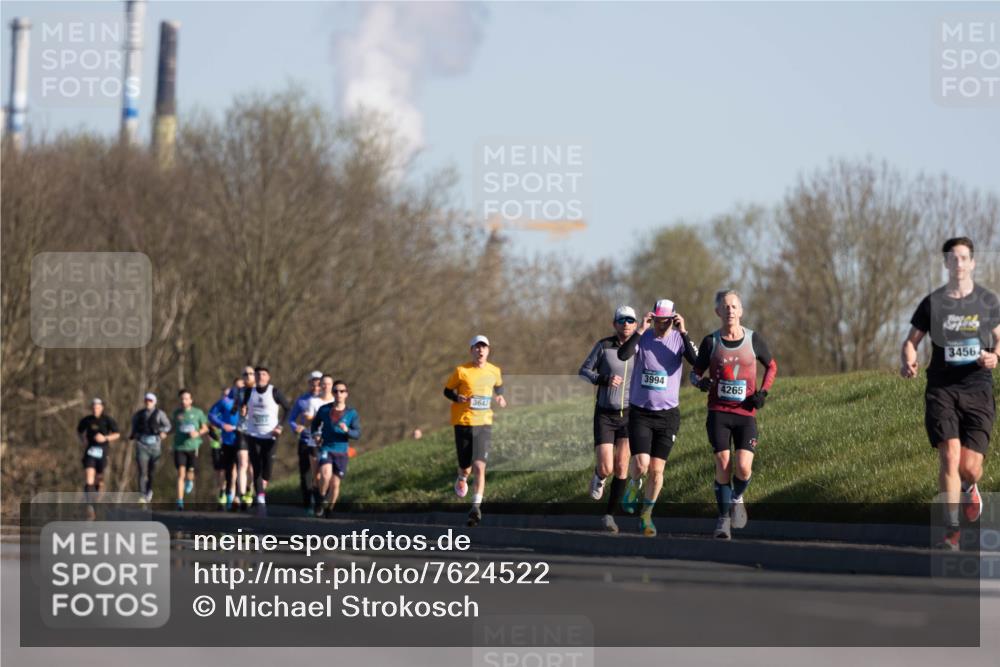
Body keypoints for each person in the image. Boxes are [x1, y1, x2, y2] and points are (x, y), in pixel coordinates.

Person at [901, 237, 1000, 550]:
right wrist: (908, 360)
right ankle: (951, 530)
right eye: (953, 258)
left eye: (964, 258)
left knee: (969, 467)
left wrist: (995, 356)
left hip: (977, 387)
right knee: (949, 454)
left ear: (972, 263)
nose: (958, 263)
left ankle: (970, 487)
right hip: (942, 387)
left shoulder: (986, 301)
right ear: (946, 263)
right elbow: (911, 341)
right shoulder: (933, 303)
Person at [690, 290, 778, 540]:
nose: (730, 310)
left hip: (745, 414)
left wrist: (763, 392)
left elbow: (771, 366)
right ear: (718, 312)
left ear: (741, 311)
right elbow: (694, 373)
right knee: (723, 465)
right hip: (718, 413)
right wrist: (700, 382)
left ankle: (737, 496)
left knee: (743, 468)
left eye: (734, 306)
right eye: (725, 306)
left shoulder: (753, 339)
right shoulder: (711, 342)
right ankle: (723, 520)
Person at [617, 300, 698, 537]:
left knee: (657, 470)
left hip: (668, 415)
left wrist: (684, 332)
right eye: (659, 320)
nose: (662, 325)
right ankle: (634, 484)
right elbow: (623, 354)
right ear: (653, 318)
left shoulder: (679, 339)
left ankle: (647, 515)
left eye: (667, 321)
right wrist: (640, 329)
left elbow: (697, 361)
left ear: (673, 319)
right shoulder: (643, 337)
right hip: (641, 411)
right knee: (641, 464)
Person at [579, 304, 638, 533]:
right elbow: (584, 371)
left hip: (629, 414)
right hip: (605, 413)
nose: (626, 324)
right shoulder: (604, 346)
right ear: (615, 324)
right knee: (606, 467)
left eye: (630, 320)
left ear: (636, 324)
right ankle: (599, 476)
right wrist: (604, 379)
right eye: (622, 320)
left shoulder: (640, 347)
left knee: (622, 467)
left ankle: (609, 516)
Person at [444, 335, 507, 527]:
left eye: (483, 347)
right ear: (471, 350)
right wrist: (457, 398)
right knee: (466, 466)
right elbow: (447, 391)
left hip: (484, 423)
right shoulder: (461, 371)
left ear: (488, 350)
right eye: (477, 347)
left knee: (480, 466)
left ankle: (475, 507)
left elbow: (499, 387)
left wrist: (500, 397)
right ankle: (462, 477)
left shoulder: (494, 371)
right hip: (463, 422)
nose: (480, 350)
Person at [241, 366, 291, 508]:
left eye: (263, 374)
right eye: (258, 374)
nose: (260, 377)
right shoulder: (249, 391)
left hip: (270, 436)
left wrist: (280, 427)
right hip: (253, 434)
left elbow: (288, 409)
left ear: (268, 377)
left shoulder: (274, 392)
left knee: (267, 467)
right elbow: (244, 407)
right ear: (255, 377)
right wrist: (243, 411)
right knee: (256, 467)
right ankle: (260, 498)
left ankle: (263, 484)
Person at [310, 379, 360, 516]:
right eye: (336, 391)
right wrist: (316, 434)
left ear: (346, 394)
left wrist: (347, 430)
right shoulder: (324, 409)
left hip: (342, 451)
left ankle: (330, 509)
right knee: (325, 475)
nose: (339, 394)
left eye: (342, 391)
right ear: (332, 393)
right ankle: (320, 500)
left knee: (335, 484)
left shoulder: (351, 413)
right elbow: (314, 424)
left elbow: (357, 434)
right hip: (326, 448)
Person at [288, 371, 324, 514]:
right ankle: (308, 503)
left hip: (322, 440)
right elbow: (291, 418)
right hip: (305, 440)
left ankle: (320, 500)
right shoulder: (302, 400)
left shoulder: (327, 400)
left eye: (318, 385)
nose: (315, 388)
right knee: (306, 474)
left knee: (322, 472)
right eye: (312, 385)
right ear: (308, 384)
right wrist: (296, 427)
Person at [128, 392, 171, 504]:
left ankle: (149, 490)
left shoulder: (160, 414)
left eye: (150, 401)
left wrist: (163, 432)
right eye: (146, 400)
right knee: (142, 471)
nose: (148, 402)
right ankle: (142, 495)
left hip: (155, 446)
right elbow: (134, 427)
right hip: (142, 445)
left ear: (154, 402)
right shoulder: (139, 415)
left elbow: (168, 426)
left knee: (152, 471)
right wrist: (134, 435)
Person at [76, 397, 121, 502]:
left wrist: (105, 438)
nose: (95, 409)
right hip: (90, 450)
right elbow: (79, 431)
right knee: (89, 477)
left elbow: (117, 434)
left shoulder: (107, 420)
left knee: (99, 479)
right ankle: (88, 503)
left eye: (97, 407)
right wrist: (83, 440)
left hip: (103, 451)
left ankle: (97, 500)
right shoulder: (87, 420)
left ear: (101, 408)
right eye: (94, 407)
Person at [171, 389, 208, 510]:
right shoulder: (176, 413)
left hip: (193, 447)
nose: (184, 401)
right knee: (180, 474)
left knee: (190, 472)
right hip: (179, 447)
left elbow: (205, 428)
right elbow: (172, 427)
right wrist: (164, 432)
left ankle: (190, 481)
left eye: (186, 398)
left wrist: (197, 433)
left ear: (191, 400)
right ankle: (180, 501)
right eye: (182, 399)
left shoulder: (198, 413)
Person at [208, 383, 241, 510]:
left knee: (238, 469)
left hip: (240, 441)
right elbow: (211, 419)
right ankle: (224, 493)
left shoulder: (243, 403)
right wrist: (221, 427)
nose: (226, 397)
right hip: (223, 443)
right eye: (225, 395)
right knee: (224, 471)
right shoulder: (222, 406)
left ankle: (236, 496)